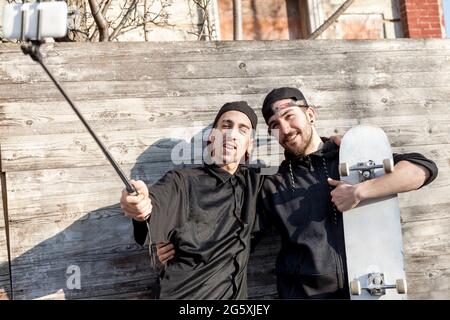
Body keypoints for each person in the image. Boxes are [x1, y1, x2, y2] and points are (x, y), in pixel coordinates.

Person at [156, 87, 439, 299]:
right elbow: (229, 224)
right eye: (274, 126)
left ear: (311, 114)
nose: (285, 129)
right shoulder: (272, 184)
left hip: (369, 288)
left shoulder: (354, 157)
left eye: (290, 117)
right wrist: (178, 243)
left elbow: (422, 169)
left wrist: (361, 191)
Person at [120, 101, 265, 299]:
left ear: (249, 146)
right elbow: (152, 206)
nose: (231, 134)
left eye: (243, 130)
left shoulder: (258, 183)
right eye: (226, 126)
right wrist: (140, 207)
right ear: (211, 139)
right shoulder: (181, 182)